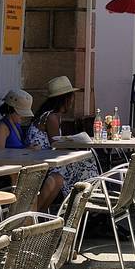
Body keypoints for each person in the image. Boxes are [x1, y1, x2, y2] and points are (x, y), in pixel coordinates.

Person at [30, 76, 99, 210]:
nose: (73, 100)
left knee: (85, 158)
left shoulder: (50, 115)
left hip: (45, 157)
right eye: (72, 97)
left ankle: (84, 197)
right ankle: (84, 198)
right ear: (65, 98)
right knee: (86, 160)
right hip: (43, 160)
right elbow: (56, 144)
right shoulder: (51, 117)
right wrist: (73, 141)